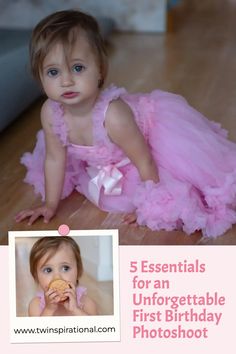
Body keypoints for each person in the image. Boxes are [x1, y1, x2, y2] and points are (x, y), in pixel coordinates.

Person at [15, 10, 236, 238]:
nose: (66, 81)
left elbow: (145, 160)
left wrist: (147, 206)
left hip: (144, 152)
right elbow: (54, 157)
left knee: (190, 192)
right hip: (109, 160)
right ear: (39, 77)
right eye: (53, 72)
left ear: (100, 69)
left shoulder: (114, 116)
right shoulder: (51, 112)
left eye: (78, 68)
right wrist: (50, 204)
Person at [28, 236, 97, 316]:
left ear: (78, 271)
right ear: (36, 276)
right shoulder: (35, 306)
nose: (57, 277)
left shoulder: (87, 304)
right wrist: (48, 310)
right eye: (48, 270)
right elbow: (36, 329)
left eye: (65, 268)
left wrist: (75, 310)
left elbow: (94, 328)